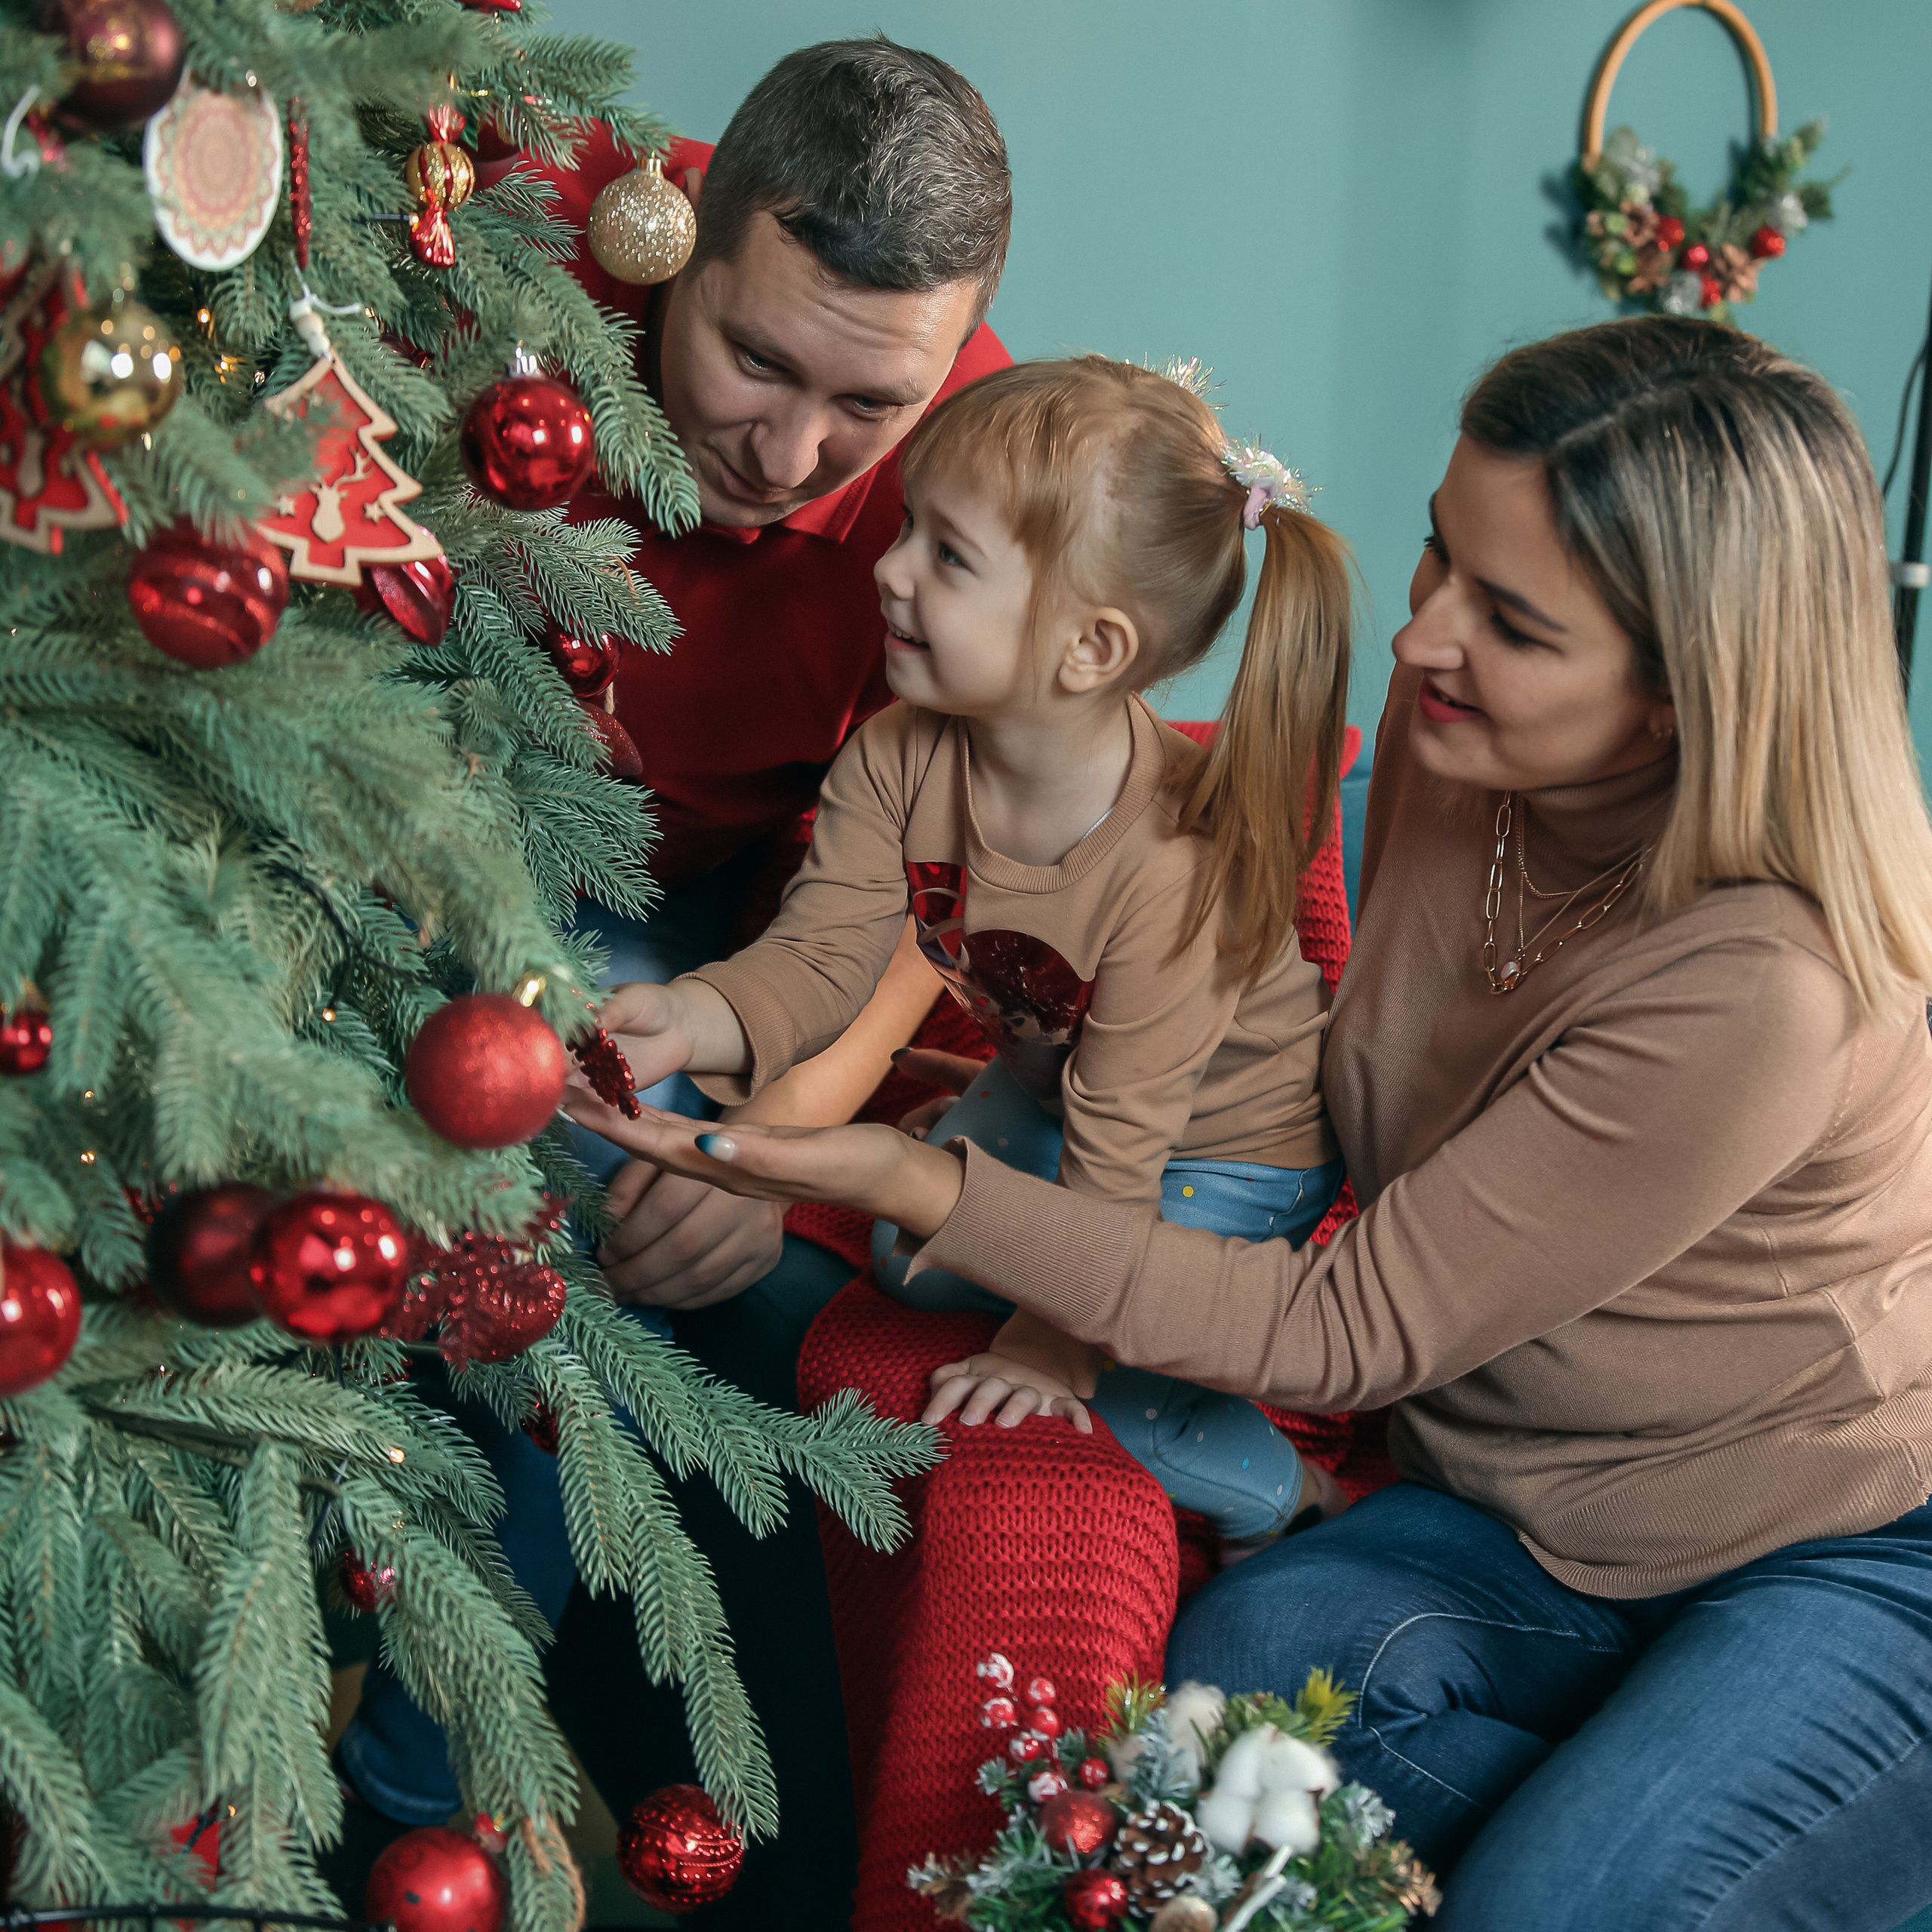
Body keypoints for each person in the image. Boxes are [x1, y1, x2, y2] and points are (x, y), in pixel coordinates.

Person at [564, 317, 1932, 1931]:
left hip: (1832, 1546)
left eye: (1509, 621)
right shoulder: (1463, 743)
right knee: (1214, 1725)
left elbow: (1343, 1327)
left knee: (1538, 1904)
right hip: (1509, 1525)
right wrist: (818, 1072)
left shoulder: (1765, 985)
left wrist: (918, 1181)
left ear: (1677, 698)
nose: (1422, 635)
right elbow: (966, 907)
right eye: (1442, 552)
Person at [330, 40, 1013, 1924]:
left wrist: (772, 1138)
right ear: (677, 244)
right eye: (754, 363)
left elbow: (917, 873)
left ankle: (418, 1807)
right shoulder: (515, 226)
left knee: (596, 1202)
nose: (786, 455)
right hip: (373, 787)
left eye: (865, 403)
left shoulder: (987, 473)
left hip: (697, 903)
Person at [586, 356, 1355, 1546]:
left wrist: (1054, 1343)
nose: (888, 571)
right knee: (908, 1260)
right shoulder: (900, 753)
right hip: (1056, 1094)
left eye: (947, 556)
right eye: (908, 529)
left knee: (1102, 1398)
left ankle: (1292, 1497)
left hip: (1221, 1152)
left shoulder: (1172, 872)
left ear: (1090, 649)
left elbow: (1123, 1150)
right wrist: (693, 1017)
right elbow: (819, 960)